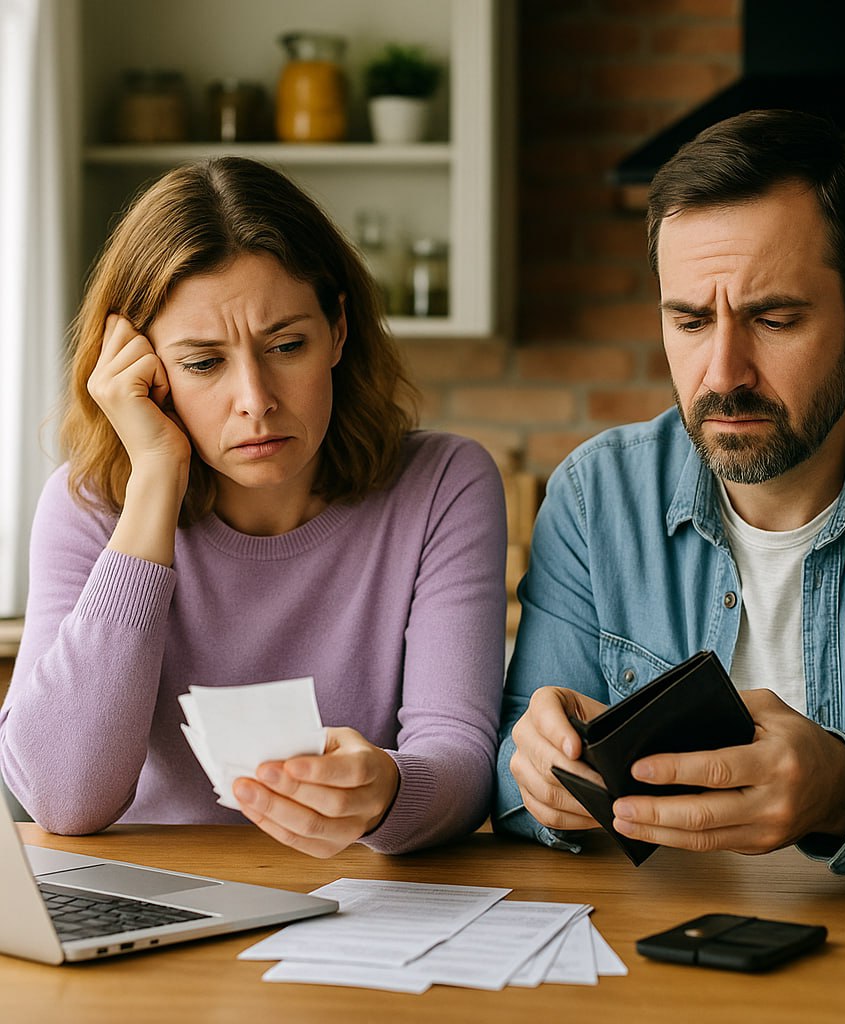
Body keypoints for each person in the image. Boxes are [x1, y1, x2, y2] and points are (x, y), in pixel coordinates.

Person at [494, 109, 845, 879]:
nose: (722, 373)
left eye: (773, 319)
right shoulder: (593, 497)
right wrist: (536, 772)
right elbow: (507, 775)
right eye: (688, 320)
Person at [0, 156, 507, 858]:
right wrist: (154, 479)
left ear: (338, 328)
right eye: (204, 363)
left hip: (362, 904)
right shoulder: (88, 508)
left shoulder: (444, 484)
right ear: (144, 373)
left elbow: (462, 760)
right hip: (157, 921)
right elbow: (62, 797)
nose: (255, 399)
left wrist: (387, 790)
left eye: (286, 345)